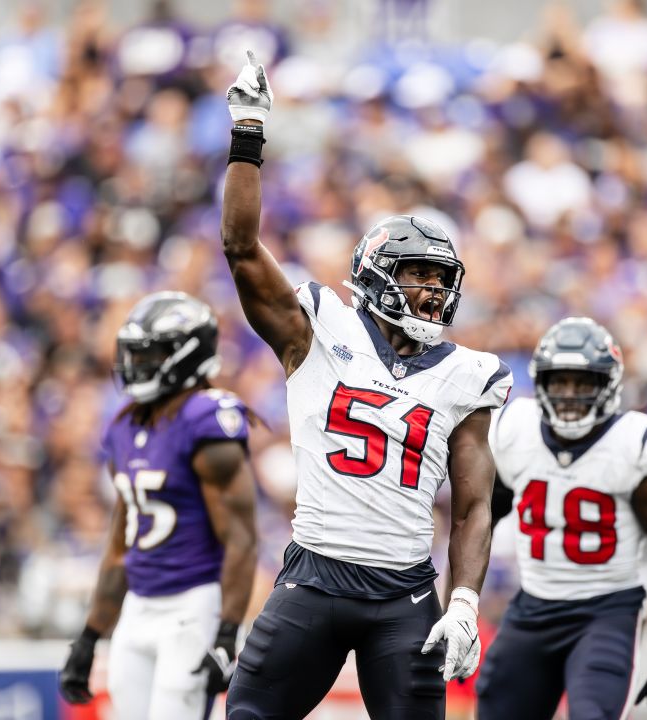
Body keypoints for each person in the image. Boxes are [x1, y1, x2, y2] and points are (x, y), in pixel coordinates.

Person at [219, 52, 512, 719]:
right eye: (419, 276)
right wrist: (247, 135)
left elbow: (471, 506)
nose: (434, 293)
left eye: (443, 282)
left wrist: (465, 602)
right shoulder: (318, 329)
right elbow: (240, 249)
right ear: (376, 275)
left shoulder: (469, 376)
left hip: (403, 599)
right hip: (313, 579)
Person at [476, 317, 647, 719]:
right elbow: (480, 518)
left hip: (606, 611)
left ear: (609, 384)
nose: (569, 395)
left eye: (583, 383)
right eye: (559, 381)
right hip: (534, 606)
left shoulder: (632, 444)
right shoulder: (516, 430)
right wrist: (457, 607)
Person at [59, 291, 259, 720]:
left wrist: (227, 633)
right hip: (138, 605)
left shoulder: (207, 420)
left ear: (186, 356)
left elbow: (241, 539)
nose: (136, 365)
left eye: (150, 355)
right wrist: (89, 635)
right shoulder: (124, 425)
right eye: (134, 354)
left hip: (192, 606)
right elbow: (122, 540)